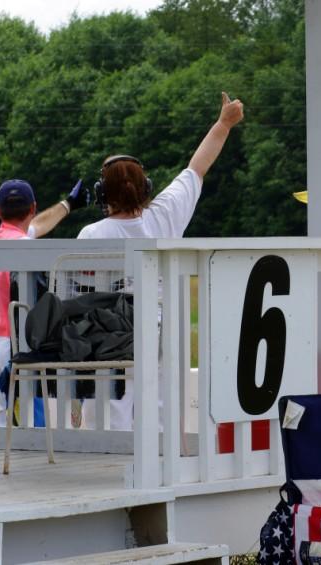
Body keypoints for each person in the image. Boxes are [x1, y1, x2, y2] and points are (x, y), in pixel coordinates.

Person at [78, 91, 244, 430]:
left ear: (101, 193)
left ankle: (112, 462)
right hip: (164, 325)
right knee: (160, 407)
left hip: (111, 333)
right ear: (146, 187)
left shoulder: (91, 234)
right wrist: (223, 123)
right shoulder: (166, 215)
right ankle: (162, 463)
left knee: (113, 406)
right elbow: (198, 167)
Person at [0, 178, 88, 424]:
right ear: (33, 207)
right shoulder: (27, 247)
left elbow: (34, 227)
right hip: (22, 344)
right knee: (33, 421)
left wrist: (67, 205)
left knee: (7, 417)